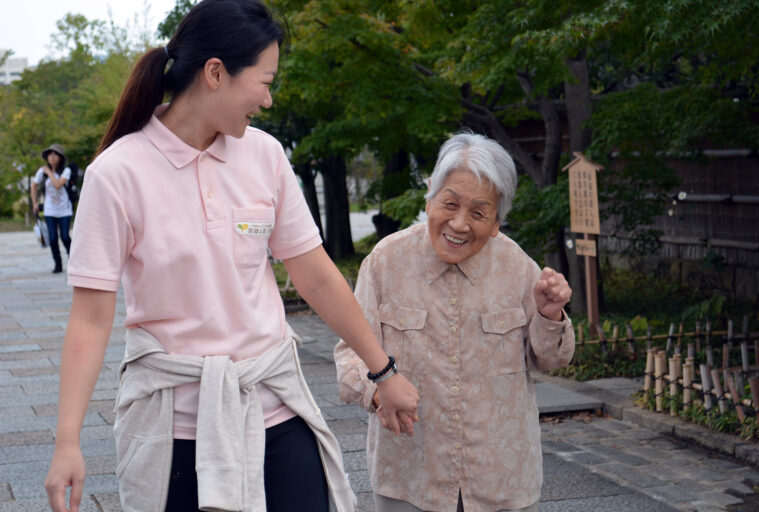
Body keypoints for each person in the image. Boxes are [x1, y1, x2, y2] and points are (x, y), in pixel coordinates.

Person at [43, 1, 419, 511]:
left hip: (276, 408)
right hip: (174, 426)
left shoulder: (264, 155)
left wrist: (383, 372)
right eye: (264, 82)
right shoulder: (116, 174)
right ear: (216, 73)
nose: (268, 100)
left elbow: (315, 276)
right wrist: (67, 442)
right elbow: (90, 319)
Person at [334, 132, 576, 512]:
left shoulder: (518, 268)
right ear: (429, 195)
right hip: (410, 478)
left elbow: (550, 359)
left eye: (478, 213)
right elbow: (349, 354)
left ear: (496, 221)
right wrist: (379, 392)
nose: (459, 224)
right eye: (450, 203)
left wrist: (550, 315)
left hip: (502, 481)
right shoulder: (385, 262)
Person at [31, 144, 73, 273]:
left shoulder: (66, 171)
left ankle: (74, 261)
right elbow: (34, 186)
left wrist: (49, 172)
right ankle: (58, 264)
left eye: (55, 154)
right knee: (53, 238)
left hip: (64, 210)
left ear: (60, 157)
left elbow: (58, 185)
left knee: (65, 237)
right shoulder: (42, 171)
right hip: (49, 210)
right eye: (50, 154)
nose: (52, 157)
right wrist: (35, 203)